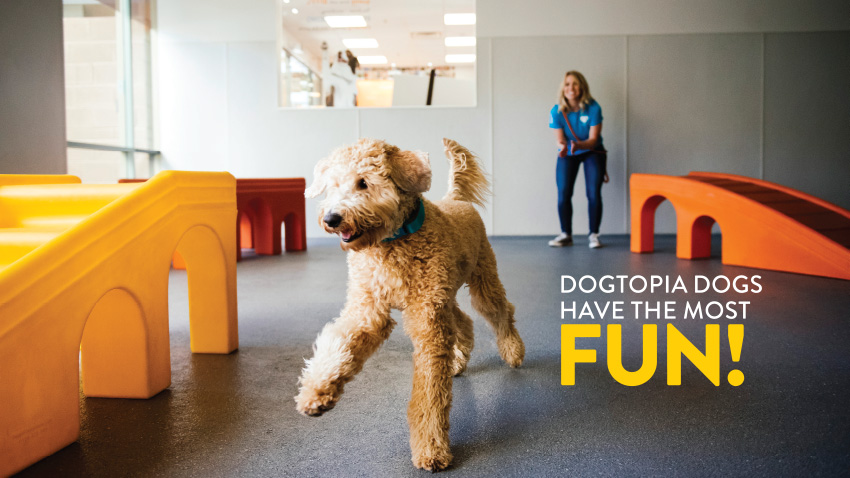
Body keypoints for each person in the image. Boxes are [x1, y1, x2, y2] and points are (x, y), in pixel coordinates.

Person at [548, 70, 608, 248]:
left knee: (593, 193)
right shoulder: (557, 111)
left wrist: (578, 146)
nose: (571, 88)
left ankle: (594, 235)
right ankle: (565, 234)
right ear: (563, 88)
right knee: (563, 193)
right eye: (567, 84)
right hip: (569, 152)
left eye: (575, 83)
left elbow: (593, 139)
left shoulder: (594, 108)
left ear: (582, 87)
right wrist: (563, 147)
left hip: (592, 151)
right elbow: (559, 139)